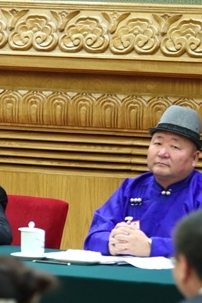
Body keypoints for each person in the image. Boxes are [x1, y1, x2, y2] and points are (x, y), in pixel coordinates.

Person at [84, 105, 202, 257]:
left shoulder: (197, 191)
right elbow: (95, 235)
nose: (162, 153)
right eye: (157, 143)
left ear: (194, 158)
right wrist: (112, 242)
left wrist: (151, 246)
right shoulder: (131, 187)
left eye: (174, 146)